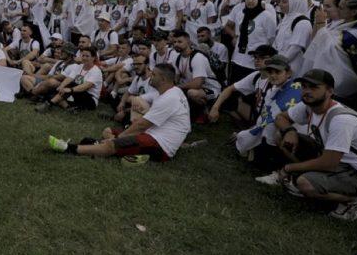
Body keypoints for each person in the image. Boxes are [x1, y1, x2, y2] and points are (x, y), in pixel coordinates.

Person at [271, 69, 357, 221]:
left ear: (329, 91)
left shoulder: (341, 120)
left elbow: (329, 163)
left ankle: (355, 201)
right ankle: (310, 178)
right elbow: (281, 117)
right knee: (281, 136)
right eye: (304, 86)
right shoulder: (309, 105)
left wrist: (289, 168)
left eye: (314, 87)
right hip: (334, 160)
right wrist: (289, 131)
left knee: (305, 184)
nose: (307, 91)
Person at [48, 63, 189, 160]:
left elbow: (141, 125)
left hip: (161, 145)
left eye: (154, 75)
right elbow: (135, 99)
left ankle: (69, 148)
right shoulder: (167, 92)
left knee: (113, 143)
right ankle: (112, 148)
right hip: (152, 134)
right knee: (108, 130)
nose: (150, 77)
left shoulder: (169, 98)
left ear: (163, 79)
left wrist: (120, 137)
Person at [225, 0, 277, 83]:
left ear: (259, 0)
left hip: (254, 61)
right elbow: (238, 33)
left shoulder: (266, 16)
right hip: (238, 58)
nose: (250, 1)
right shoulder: (241, 14)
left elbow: (272, 38)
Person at [38, 46, 103, 112]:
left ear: (93, 58)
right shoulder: (79, 66)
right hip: (76, 93)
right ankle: (69, 108)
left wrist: (70, 90)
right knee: (57, 90)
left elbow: (86, 86)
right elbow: (69, 78)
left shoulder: (96, 71)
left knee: (70, 86)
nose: (84, 58)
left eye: (87, 56)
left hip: (90, 99)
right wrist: (61, 86)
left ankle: (49, 104)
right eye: (83, 55)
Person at [170, 29, 221, 110]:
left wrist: (178, 87)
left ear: (188, 42)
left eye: (180, 42)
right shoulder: (177, 58)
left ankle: (207, 109)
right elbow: (176, 79)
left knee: (192, 93)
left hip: (211, 89)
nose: (176, 44)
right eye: (174, 42)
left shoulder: (197, 57)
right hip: (193, 87)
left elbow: (197, 84)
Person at [273, 0, 313, 75]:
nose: (280, 4)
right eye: (280, 1)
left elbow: (296, 47)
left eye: (284, 2)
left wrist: (280, 63)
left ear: (296, 3)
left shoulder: (303, 22)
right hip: (279, 65)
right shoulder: (286, 19)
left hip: (291, 67)